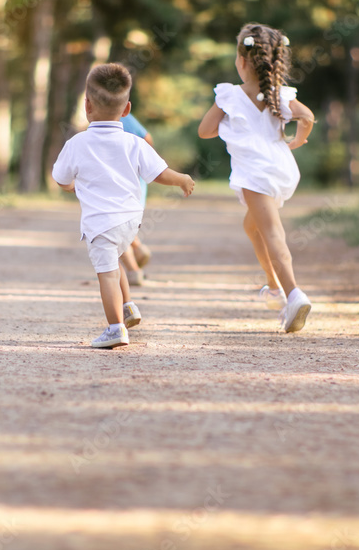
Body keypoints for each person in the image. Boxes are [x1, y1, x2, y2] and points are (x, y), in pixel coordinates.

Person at [53, 63, 195, 348]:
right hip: (130, 223)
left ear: (86, 106)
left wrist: (71, 186)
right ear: (127, 109)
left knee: (106, 274)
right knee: (115, 262)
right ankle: (128, 305)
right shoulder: (134, 142)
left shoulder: (76, 144)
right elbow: (159, 174)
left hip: (100, 224)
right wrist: (182, 179)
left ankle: (116, 328)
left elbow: (61, 179)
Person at [197, 23, 316, 333]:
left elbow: (204, 131)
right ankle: (274, 286)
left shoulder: (230, 96)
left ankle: (293, 294)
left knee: (272, 233)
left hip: (255, 174)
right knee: (252, 226)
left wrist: (227, 115)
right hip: (280, 167)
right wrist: (299, 139)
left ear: (242, 61)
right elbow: (307, 117)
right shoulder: (280, 95)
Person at [119, 113, 154, 286]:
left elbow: (147, 139)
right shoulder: (125, 116)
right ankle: (138, 248)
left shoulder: (114, 117)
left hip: (121, 185)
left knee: (117, 230)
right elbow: (147, 138)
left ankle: (133, 271)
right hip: (134, 184)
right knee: (124, 227)